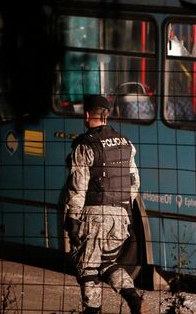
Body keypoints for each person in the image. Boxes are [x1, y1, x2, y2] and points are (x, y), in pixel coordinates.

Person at [64, 94, 149, 314]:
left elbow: (78, 186)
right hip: (121, 215)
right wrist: (122, 208)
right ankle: (133, 297)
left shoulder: (85, 146)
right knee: (107, 264)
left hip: (94, 217)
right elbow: (135, 182)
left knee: (87, 268)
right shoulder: (125, 143)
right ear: (107, 115)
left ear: (86, 115)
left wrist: (72, 218)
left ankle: (92, 311)